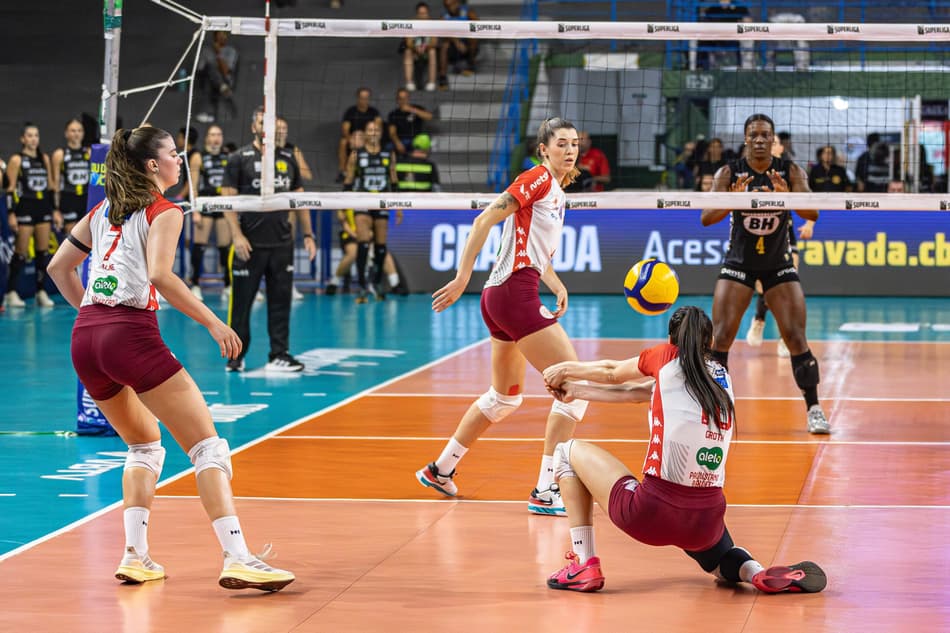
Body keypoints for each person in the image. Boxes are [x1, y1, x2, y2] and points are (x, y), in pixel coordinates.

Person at [46, 125, 294, 591]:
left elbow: (57, 268)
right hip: (129, 334)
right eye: (174, 154)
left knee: (144, 445)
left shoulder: (103, 210)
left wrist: (91, 314)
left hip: (86, 337)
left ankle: (136, 556)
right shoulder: (165, 210)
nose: (181, 160)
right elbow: (161, 275)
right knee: (209, 447)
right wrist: (215, 323)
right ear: (152, 166)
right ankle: (237, 556)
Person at [540, 306, 827, 595]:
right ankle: (755, 572)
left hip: (651, 512)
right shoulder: (721, 377)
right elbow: (638, 394)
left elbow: (613, 373)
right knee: (717, 560)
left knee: (566, 451)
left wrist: (566, 369)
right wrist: (575, 391)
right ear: (711, 343)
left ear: (670, 338)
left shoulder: (665, 357)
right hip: (707, 521)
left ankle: (583, 563)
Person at [416, 117, 586, 517]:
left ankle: (440, 469)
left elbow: (531, 251)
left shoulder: (555, 189)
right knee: (574, 388)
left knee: (505, 398)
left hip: (502, 295)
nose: (569, 149)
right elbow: (483, 220)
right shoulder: (538, 178)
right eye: (561, 143)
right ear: (544, 148)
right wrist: (461, 277)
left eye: (574, 143)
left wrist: (556, 283)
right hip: (512, 292)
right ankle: (546, 490)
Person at [702, 113, 829, 434]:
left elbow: (812, 212)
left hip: (779, 264)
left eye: (765, 135)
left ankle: (814, 408)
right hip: (738, 263)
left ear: (773, 140)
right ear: (746, 139)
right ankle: (717, 408)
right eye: (754, 135)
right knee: (721, 338)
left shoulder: (790, 171)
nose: (760, 140)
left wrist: (788, 195)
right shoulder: (729, 172)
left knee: (797, 337)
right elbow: (706, 217)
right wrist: (733, 198)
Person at [221, 108, 317, 372]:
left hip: (282, 244)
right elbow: (227, 200)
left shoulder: (288, 157)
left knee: (281, 302)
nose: (267, 128)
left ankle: (279, 354)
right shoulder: (239, 158)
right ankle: (236, 356)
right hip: (249, 245)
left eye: (271, 124)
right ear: (254, 127)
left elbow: (300, 200)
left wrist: (308, 235)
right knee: (241, 304)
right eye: (263, 123)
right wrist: (237, 236)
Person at [745, 135, 816, 358]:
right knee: (763, 287)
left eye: (773, 141)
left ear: (780, 147)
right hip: (759, 236)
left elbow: (808, 200)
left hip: (785, 238)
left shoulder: (790, 171)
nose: (768, 144)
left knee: (785, 287)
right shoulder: (751, 171)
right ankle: (759, 320)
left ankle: (784, 337)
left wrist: (810, 223)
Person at [343, 119, 401, 303]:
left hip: (382, 203)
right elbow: (349, 180)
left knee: (381, 246)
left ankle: (376, 283)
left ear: (381, 133)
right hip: (363, 201)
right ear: (365, 133)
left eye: (377, 129)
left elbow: (393, 180)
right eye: (370, 129)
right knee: (363, 243)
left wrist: (398, 205)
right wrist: (344, 205)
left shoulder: (388, 154)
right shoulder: (356, 155)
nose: (374, 132)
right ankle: (361, 286)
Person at [5, 123, 55, 308]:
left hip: (42, 207)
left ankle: (40, 291)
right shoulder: (17, 160)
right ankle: (11, 292)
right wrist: (11, 213)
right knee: (21, 251)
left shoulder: (44, 158)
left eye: (36, 135)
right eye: (30, 135)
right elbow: (9, 189)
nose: (33, 139)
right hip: (24, 207)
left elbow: (50, 186)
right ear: (23, 139)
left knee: (43, 252)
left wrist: (54, 209)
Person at [187, 124, 231, 300]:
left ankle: (227, 285)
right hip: (204, 205)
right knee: (199, 247)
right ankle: (196, 285)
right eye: (212, 134)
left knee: (225, 248)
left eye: (219, 134)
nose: (216, 138)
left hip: (222, 206)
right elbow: (193, 185)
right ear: (207, 137)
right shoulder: (198, 156)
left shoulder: (227, 156)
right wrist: (195, 210)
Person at [51, 118, 91, 236]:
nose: (76, 134)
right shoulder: (60, 154)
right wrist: (55, 209)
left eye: (79, 130)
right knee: (72, 236)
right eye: (73, 131)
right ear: (66, 133)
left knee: (89, 235)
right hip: (68, 199)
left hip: (86, 198)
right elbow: (55, 184)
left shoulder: (89, 152)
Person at [336, 87, 383, 182]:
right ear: (358, 98)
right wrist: (353, 139)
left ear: (369, 98)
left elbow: (379, 128)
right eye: (362, 98)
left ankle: (376, 170)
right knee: (343, 142)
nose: (364, 100)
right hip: (353, 139)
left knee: (378, 141)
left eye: (366, 98)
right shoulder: (351, 111)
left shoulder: (374, 112)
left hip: (369, 138)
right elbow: (345, 130)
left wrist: (365, 138)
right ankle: (343, 172)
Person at [195, 31, 239, 123]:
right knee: (210, 69)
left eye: (224, 35)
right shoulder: (206, 50)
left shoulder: (230, 51)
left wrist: (218, 55)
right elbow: (200, 69)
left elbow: (226, 71)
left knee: (212, 70)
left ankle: (221, 86)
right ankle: (222, 87)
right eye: (220, 35)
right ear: (215, 37)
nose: (223, 37)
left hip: (226, 79)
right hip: (209, 80)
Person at [438, 0, 479, 89]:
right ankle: (442, 77)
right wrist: (456, 41)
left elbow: (476, 26)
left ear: (457, 3)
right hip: (453, 45)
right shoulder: (444, 16)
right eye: (447, 6)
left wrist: (466, 34)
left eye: (451, 5)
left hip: (467, 42)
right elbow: (443, 31)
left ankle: (470, 63)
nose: (450, 7)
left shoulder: (468, 12)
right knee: (444, 45)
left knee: (473, 38)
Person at [401, 2, 438, 91]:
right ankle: (409, 82)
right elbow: (409, 42)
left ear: (428, 13)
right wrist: (416, 48)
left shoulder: (433, 24)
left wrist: (425, 47)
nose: (422, 16)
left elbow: (434, 42)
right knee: (407, 52)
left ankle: (431, 82)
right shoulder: (411, 24)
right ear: (417, 14)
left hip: (427, 51)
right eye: (420, 13)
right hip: (414, 51)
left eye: (424, 13)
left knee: (432, 52)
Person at [387, 88, 433, 156]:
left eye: (405, 98)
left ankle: (419, 159)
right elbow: (392, 133)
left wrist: (411, 110)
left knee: (424, 138)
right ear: (397, 100)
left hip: (417, 139)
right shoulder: (393, 114)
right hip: (402, 141)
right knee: (387, 147)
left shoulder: (417, 108)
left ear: (408, 98)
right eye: (400, 98)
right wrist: (398, 143)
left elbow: (429, 117)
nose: (403, 101)